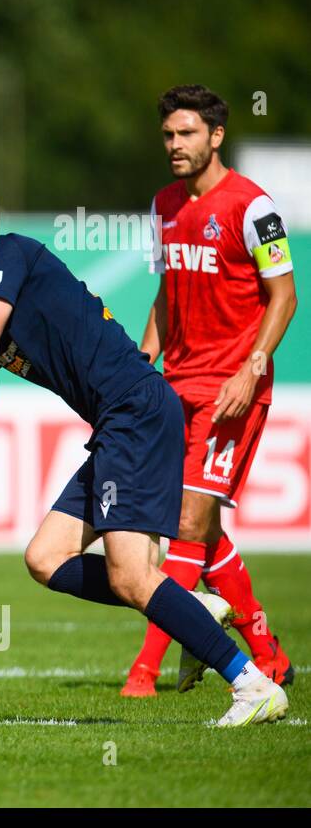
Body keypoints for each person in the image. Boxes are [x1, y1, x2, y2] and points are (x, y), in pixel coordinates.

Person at [0, 176, 287, 727]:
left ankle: (251, 685)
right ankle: (193, 609)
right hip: (116, 422)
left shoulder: (7, 253)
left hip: (134, 408)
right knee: (44, 559)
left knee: (133, 575)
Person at [122, 85, 297, 697]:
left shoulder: (253, 208)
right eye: (168, 134)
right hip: (177, 387)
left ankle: (144, 669)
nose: (174, 144)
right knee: (195, 526)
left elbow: (285, 296)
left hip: (232, 390)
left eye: (187, 133)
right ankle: (265, 649)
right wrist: (144, 364)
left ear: (216, 136)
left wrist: (252, 366)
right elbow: (167, 297)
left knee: (186, 523)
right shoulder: (163, 205)